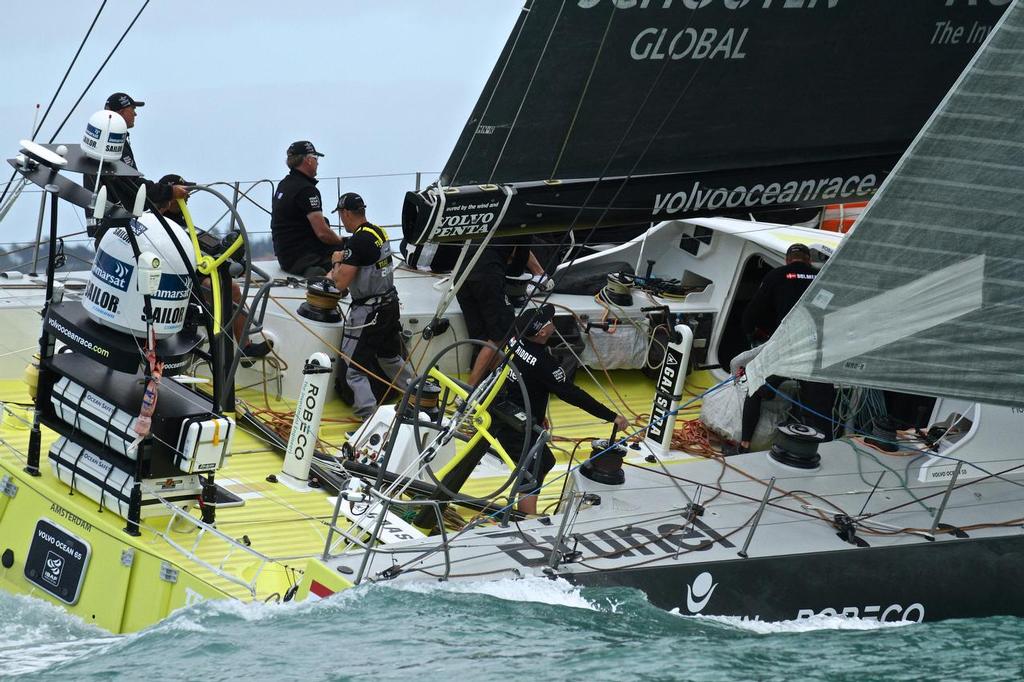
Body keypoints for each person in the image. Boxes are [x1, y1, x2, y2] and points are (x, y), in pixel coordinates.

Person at [436, 304, 629, 517]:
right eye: (549, 320)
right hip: (513, 423)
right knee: (531, 474)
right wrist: (612, 416)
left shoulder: (515, 342)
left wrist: (537, 413)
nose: (552, 320)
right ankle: (526, 523)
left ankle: (446, 494)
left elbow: (517, 376)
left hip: (499, 407)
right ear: (542, 332)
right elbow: (573, 395)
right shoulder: (545, 364)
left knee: (546, 461)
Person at [155, 174, 272, 363]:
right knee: (230, 289)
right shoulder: (160, 220)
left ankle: (245, 348)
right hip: (176, 278)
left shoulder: (182, 220)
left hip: (194, 272)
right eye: (184, 192)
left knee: (229, 285)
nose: (188, 196)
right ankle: (230, 350)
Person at [735, 243, 831, 452]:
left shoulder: (776, 276)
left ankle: (744, 445)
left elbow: (751, 315)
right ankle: (824, 449)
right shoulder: (822, 277)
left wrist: (751, 335)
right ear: (808, 260)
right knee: (821, 406)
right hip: (816, 352)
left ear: (788, 260)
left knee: (756, 388)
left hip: (785, 348)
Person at [329, 192, 415, 419]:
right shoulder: (378, 232)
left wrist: (337, 260)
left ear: (346, 213)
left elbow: (340, 285)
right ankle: (418, 397)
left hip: (370, 313)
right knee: (389, 358)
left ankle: (368, 418)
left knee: (355, 369)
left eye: (340, 215)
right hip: (389, 305)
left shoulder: (357, 241)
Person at [84, 92, 188, 228]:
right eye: (132, 109)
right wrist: (170, 192)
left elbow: (124, 187)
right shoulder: (113, 144)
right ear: (121, 112)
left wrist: (157, 201)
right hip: (116, 226)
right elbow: (132, 184)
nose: (135, 114)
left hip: (111, 224)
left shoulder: (104, 143)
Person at [455, 238, 546, 386]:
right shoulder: (524, 222)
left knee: (483, 337)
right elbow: (518, 266)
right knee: (502, 332)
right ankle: (469, 392)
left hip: (461, 275)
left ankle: (488, 387)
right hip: (488, 276)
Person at [270, 141, 345, 278]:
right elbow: (322, 233)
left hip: (285, 257)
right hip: (304, 258)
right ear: (309, 160)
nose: (318, 163)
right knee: (351, 256)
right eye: (316, 159)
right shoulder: (307, 190)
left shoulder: (283, 185)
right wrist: (344, 242)